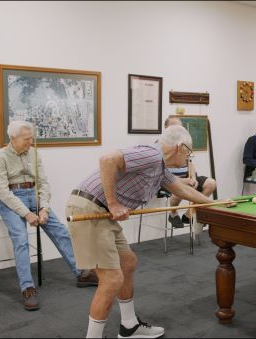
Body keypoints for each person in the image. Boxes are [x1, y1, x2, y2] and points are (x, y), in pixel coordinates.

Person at [66, 125, 228, 339]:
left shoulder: (160, 167)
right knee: (112, 279)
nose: (189, 157)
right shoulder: (151, 154)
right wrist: (114, 204)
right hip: (90, 208)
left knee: (128, 262)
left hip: (102, 212)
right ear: (180, 147)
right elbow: (107, 160)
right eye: (189, 152)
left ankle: (129, 326)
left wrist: (215, 203)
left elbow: (183, 190)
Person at [0, 120, 98, 312]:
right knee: (21, 240)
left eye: (32, 138)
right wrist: (26, 213)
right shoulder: (0, 157)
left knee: (61, 231)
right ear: (12, 138)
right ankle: (27, 288)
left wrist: (44, 208)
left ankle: (81, 273)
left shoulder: (34, 153)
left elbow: (43, 183)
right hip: (10, 199)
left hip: (33, 196)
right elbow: (2, 192)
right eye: (26, 139)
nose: (30, 142)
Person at [163, 117, 217, 229]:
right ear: (166, 128)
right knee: (181, 187)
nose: (177, 130)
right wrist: (184, 181)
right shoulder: (161, 145)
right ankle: (173, 213)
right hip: (168, 181)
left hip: (187, 177)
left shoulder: (185, 143)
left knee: (211, 183)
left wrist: (193, 177)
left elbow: (190, 162)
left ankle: (189, 214)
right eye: (174, 127)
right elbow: (162, 174)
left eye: (180, 127)